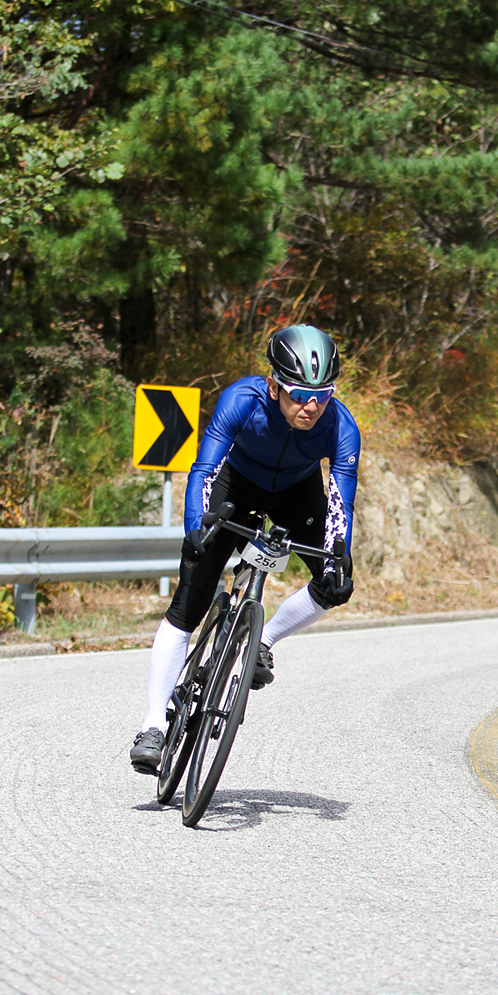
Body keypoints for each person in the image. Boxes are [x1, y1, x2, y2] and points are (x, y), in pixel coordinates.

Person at [130, 324, 361, 773]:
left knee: (335, 585)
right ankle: (153, 725)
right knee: (189, 602)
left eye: (323, 395)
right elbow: (204, 469)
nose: (311, 406)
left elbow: (340, 503)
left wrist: (339, 555)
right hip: (236, 486)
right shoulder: (242, 399)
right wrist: (197, 528)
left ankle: (263, 640)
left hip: (297, 494)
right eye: (298, 394)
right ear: (274, 386)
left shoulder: (341, 426)